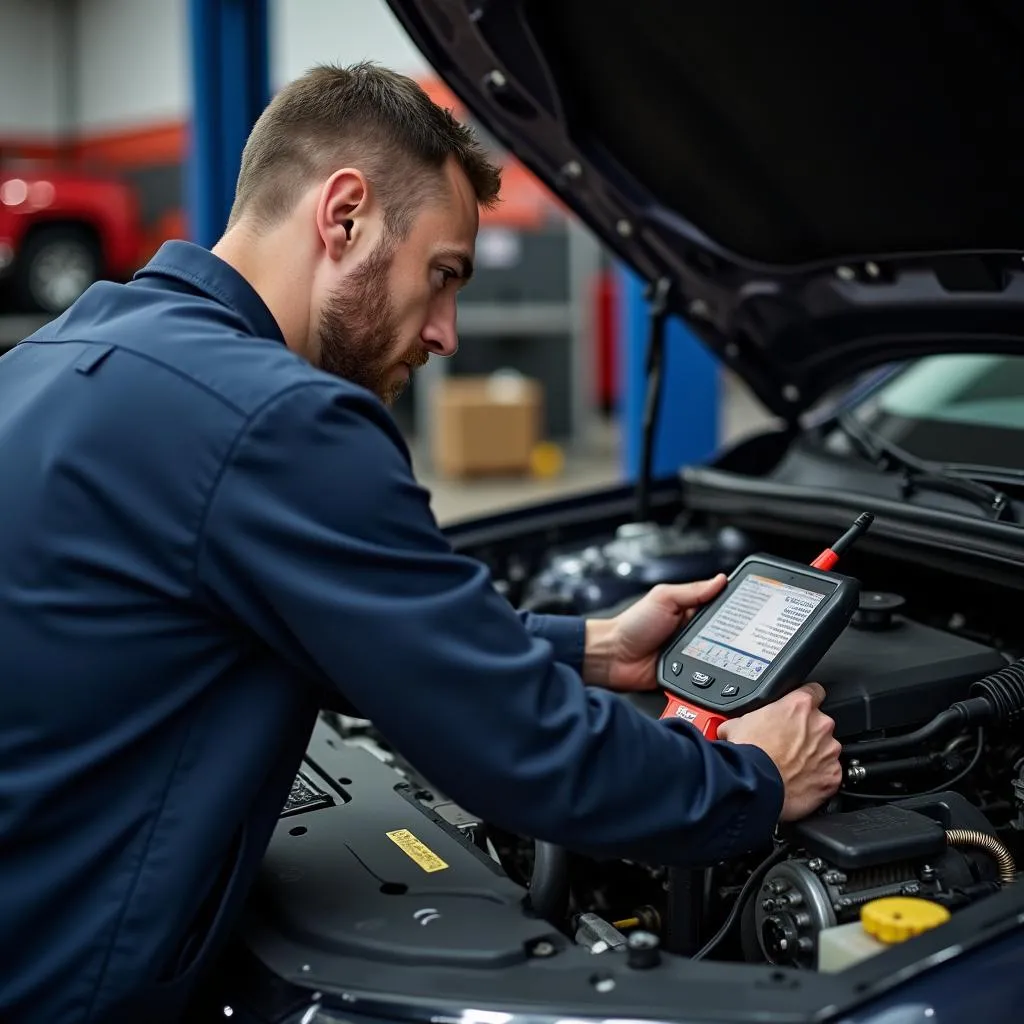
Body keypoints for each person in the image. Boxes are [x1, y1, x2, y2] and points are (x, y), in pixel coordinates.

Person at [0, 63, 842, 1023]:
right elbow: (524, 751)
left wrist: (592, 648)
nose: (446, 333)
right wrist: (755, 781)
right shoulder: (279, 420)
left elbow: (336, 623)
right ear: (345, 215)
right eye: (443, 275)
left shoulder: (60, 354)